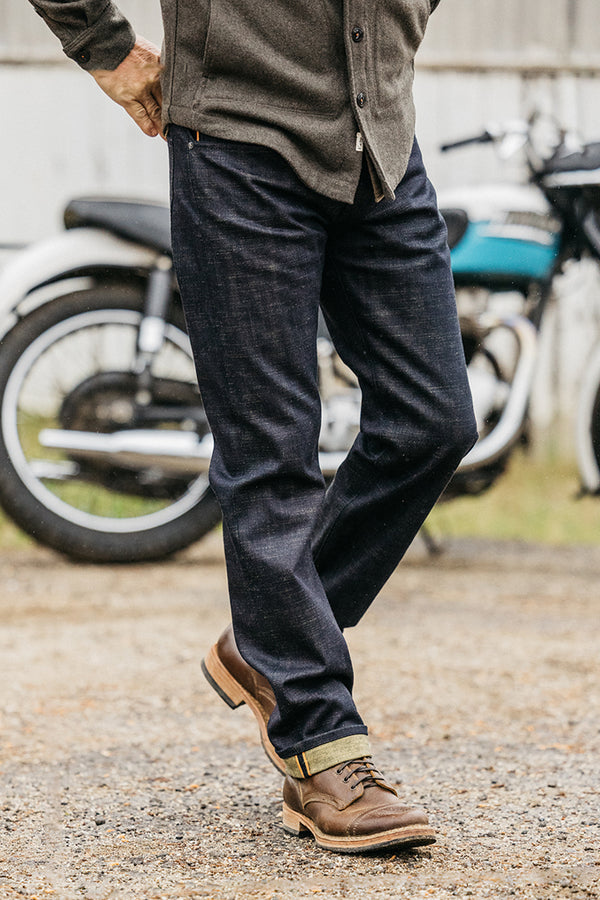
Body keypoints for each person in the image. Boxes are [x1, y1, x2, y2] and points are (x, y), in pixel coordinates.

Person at [29, 0, 478, 853]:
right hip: (238, 141)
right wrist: (104, 46)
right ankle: (320, 747)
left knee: (434, 421)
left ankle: (264, 644)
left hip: (380, 142)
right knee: (272, 458)